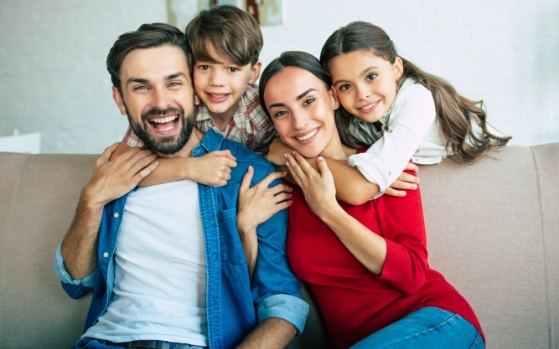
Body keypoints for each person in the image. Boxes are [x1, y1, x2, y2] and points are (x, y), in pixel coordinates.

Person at [52, 23, 308, 349]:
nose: (161, 103)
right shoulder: (117, 173)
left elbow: (282, 302)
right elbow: (75, 282)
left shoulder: (251, 174)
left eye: (173, 83)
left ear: (192, 89)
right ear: (120, 98)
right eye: (141, 87)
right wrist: (90, 200)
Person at [257, 51, 484, 348]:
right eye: (281, 112)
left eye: (308, 101)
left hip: (437, 322)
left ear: (334, 98)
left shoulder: (384, 167)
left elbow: (412, 274)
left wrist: (330, 212)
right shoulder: (282, 185)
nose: (299, 122)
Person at [318, 21, 511, 198]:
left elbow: (361, 187)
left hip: (491, 169)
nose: (362, 94)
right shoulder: (357, 112)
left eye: (371, 76)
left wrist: (378, 174)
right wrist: (381, 170)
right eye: (345, 86)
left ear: (396, 69)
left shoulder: (417, 102)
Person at [120, 5, 275, 189]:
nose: (216, 81)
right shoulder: (177, 106)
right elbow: (122, 167)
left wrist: (281, 150)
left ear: (253, 73)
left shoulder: (262, 109)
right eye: (205, 67)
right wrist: (189, 168)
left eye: (232, 69)